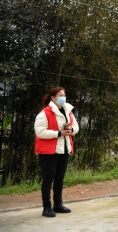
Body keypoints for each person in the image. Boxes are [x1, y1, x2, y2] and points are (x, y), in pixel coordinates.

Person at [34, 87, 79, 217]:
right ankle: (46, 207)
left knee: (59, 179)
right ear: (53, 97)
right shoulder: (44, 113)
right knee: (48, 179)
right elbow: (40, 132)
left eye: (64, 95)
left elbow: (76, 126)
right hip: (48, 151)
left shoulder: (67, 110)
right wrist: (59, 133)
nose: (63, 97)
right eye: (60, 95)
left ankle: (58, 205)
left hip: (64, 149)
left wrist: (71, 130)